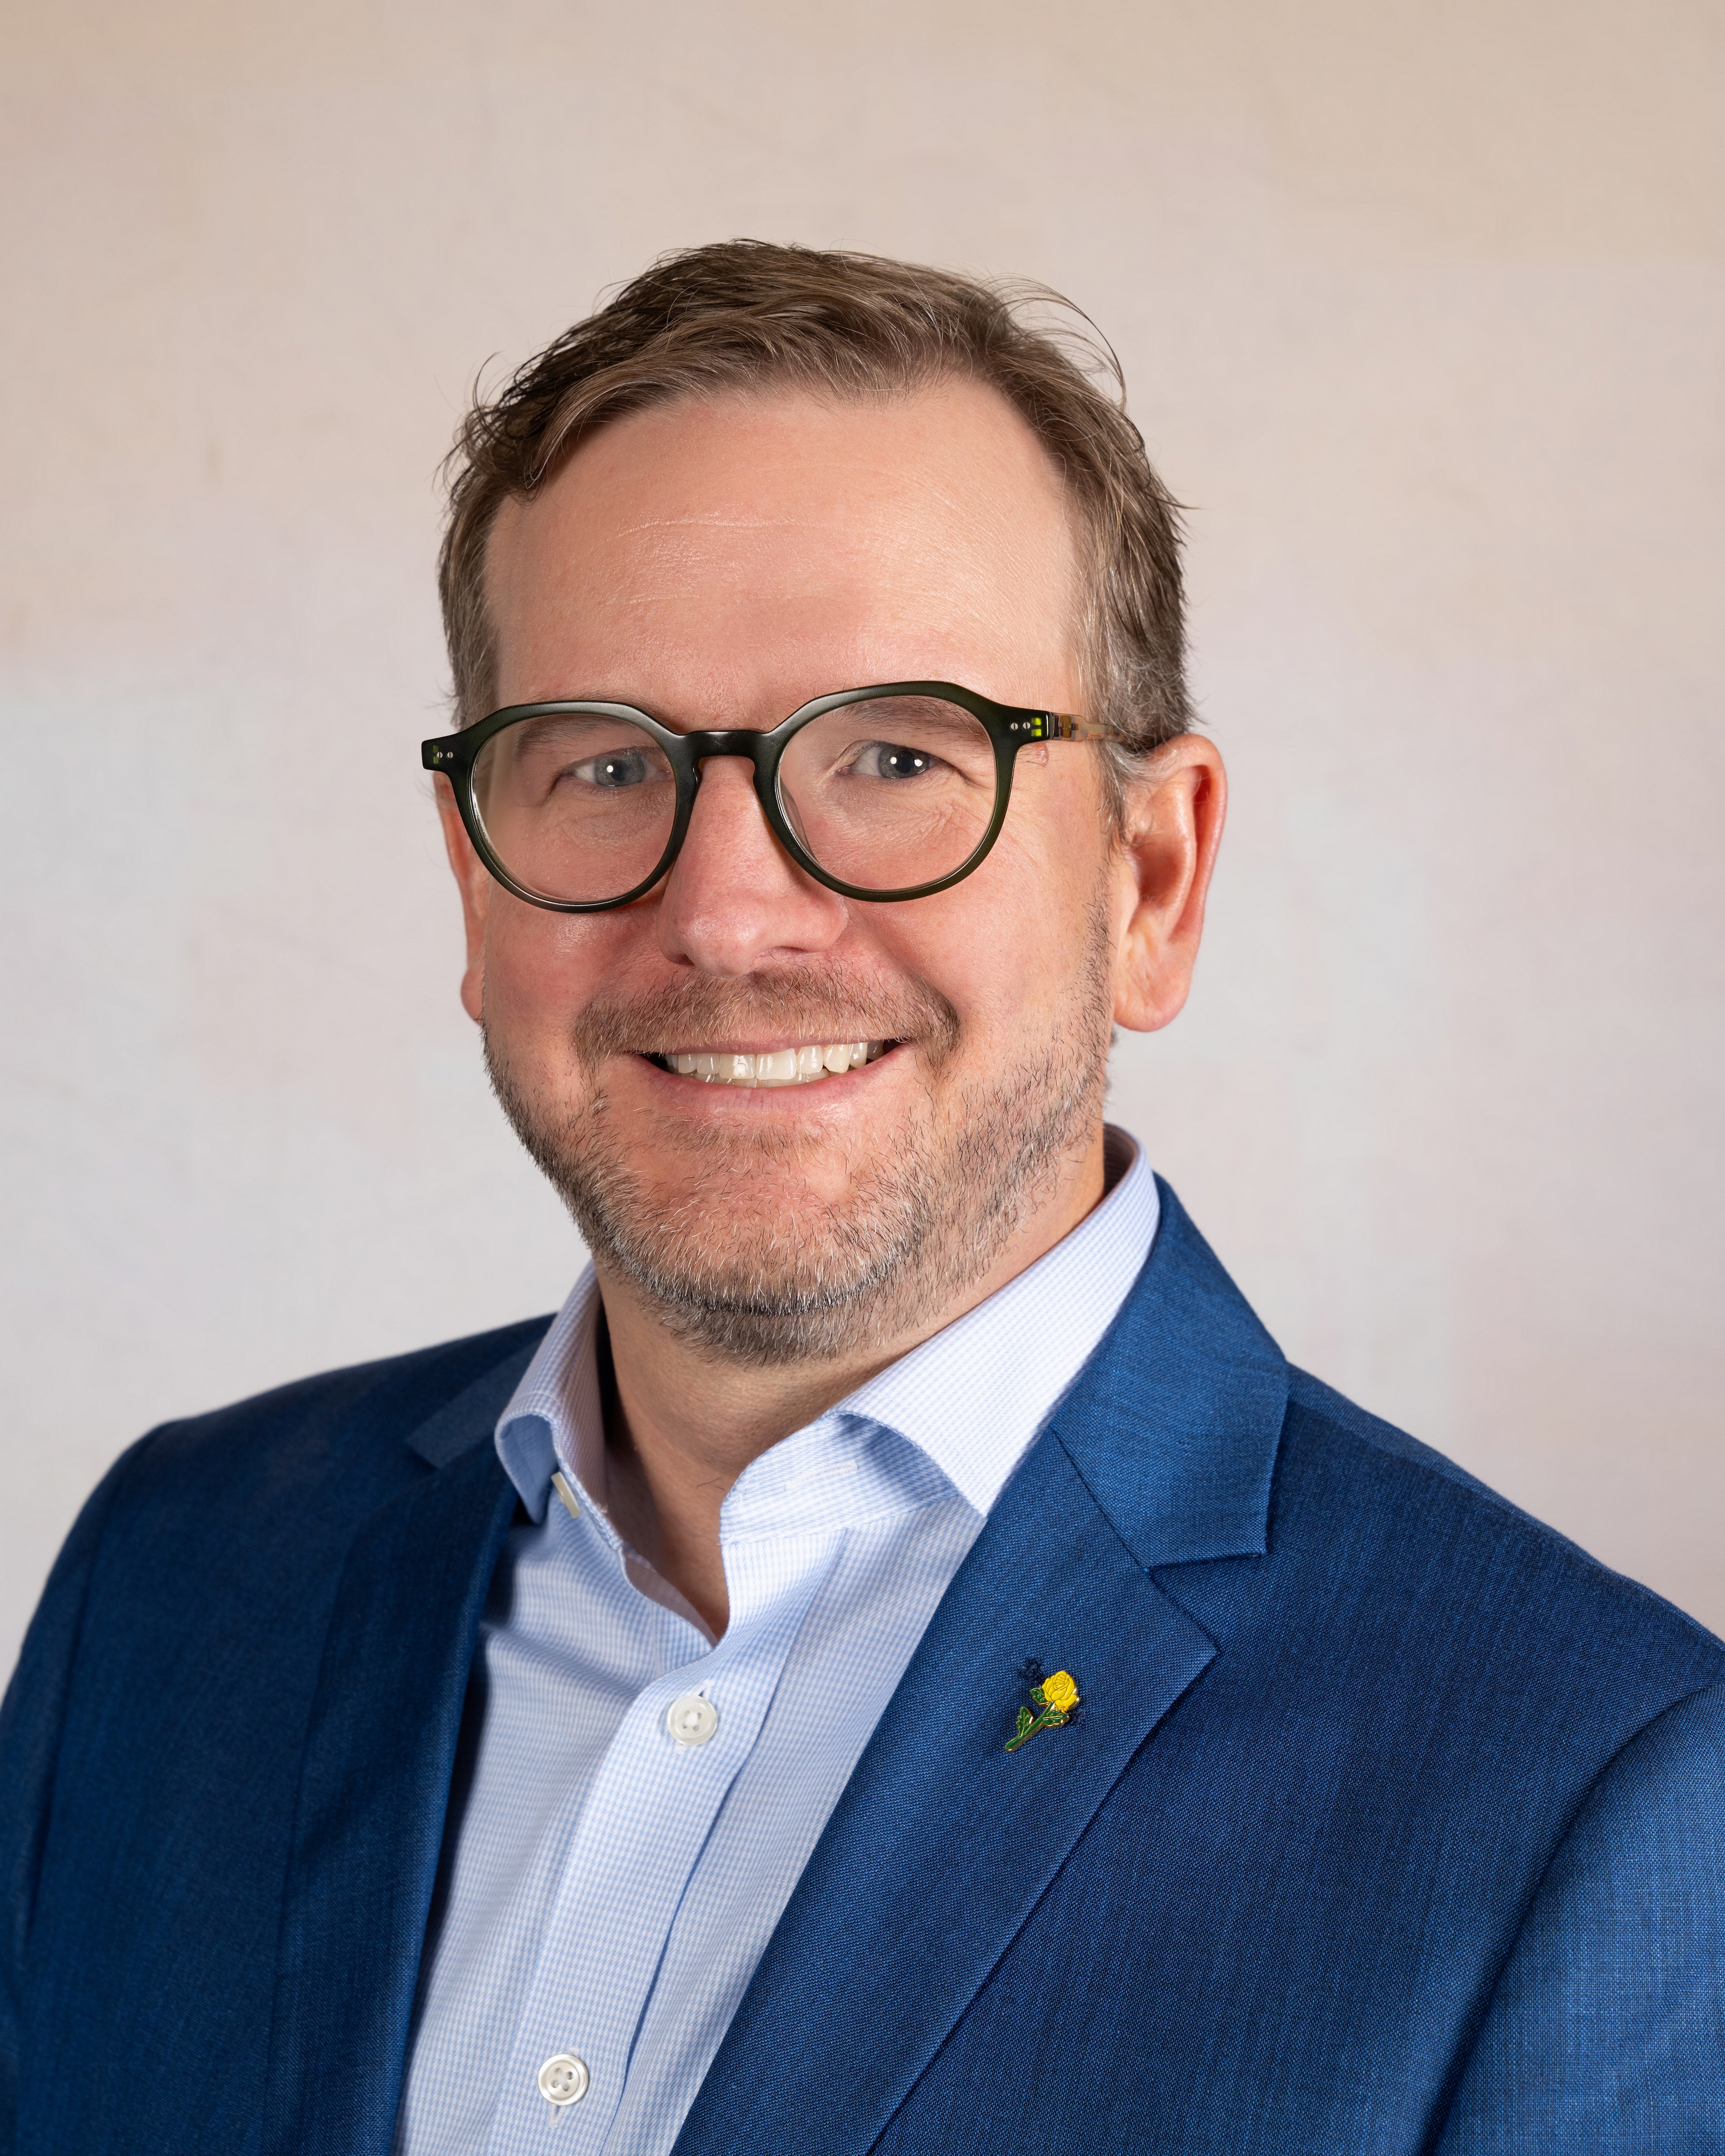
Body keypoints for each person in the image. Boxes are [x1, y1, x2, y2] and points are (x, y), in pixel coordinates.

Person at [3, 242, 1722, 2156]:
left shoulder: (1594, 1797)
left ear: (1153, 879)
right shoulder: (175, 1581)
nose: (729, 913)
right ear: (475, 885)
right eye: (603, 764)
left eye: (897, 756)